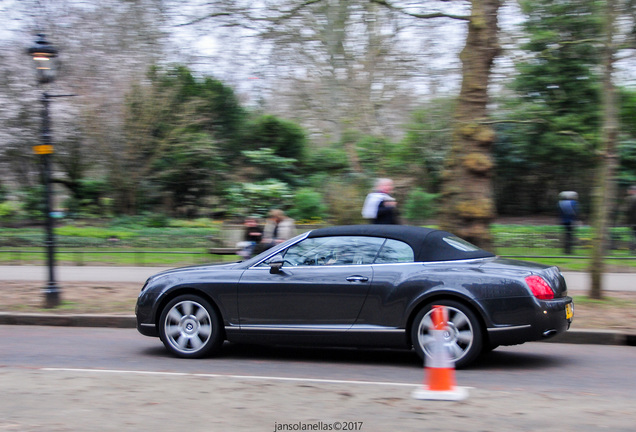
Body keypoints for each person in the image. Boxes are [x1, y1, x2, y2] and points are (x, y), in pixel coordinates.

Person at [625, 186, 636, 252]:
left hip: (632, 221)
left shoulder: (628, 199)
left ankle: (632, 249)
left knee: (632, 235)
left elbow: (627, 210)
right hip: (633, 220)